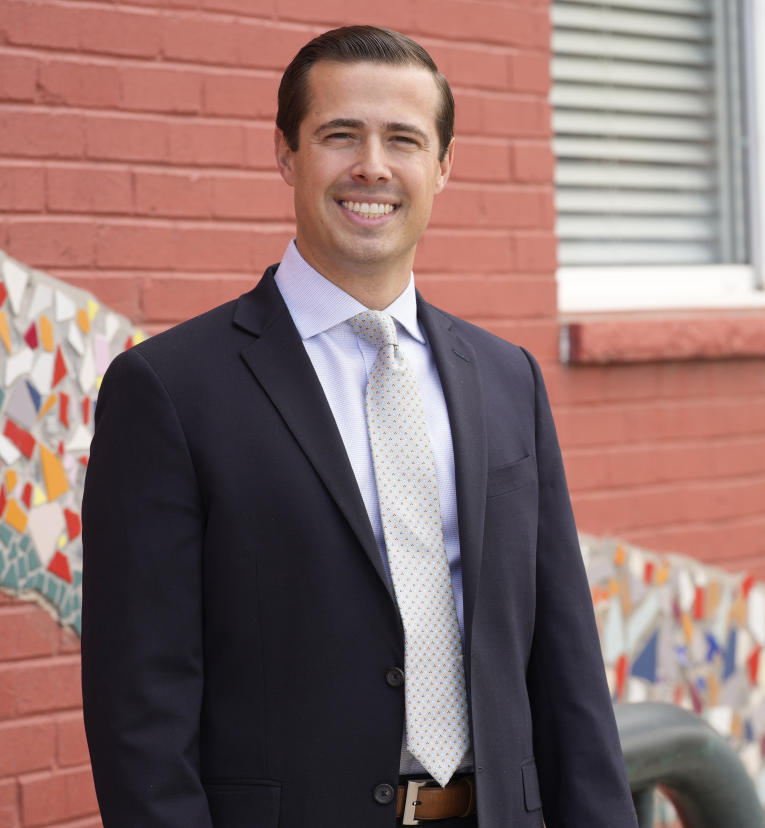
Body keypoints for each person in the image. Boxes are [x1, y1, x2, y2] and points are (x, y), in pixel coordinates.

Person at [81, 25, 637, 828]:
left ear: (442, 167)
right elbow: (141, 712)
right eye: (340, 135)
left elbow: (567, 668)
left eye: (403, 139)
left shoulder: (508, 377)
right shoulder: (169, 391)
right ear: (286, 154)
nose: (372, 165)